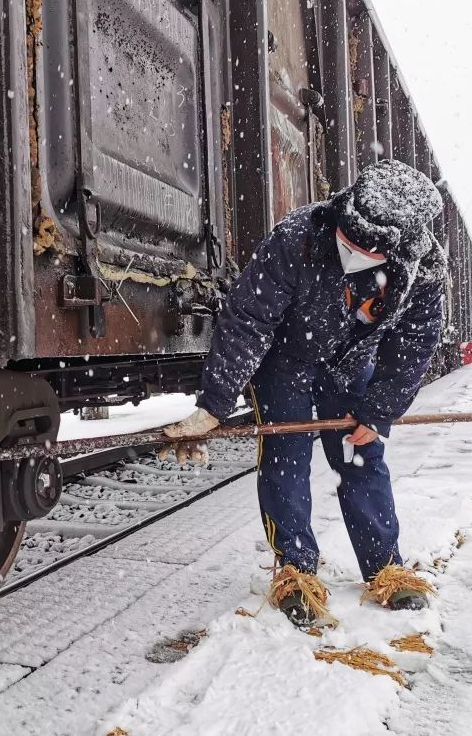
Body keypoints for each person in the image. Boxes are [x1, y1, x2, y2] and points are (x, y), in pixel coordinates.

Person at [163, 159, 446, 624]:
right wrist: (214, 404)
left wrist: (379, 411)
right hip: (286, 362)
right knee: (285, 454)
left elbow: (414, 346)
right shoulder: (299, 236)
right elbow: (247, 318)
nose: (351, 249)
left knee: (362, 456)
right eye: (348, 238)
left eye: (366, 247)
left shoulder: (426, 270)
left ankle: (385, 567)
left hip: (350, 365)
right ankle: (295, 571)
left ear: (402, 248)